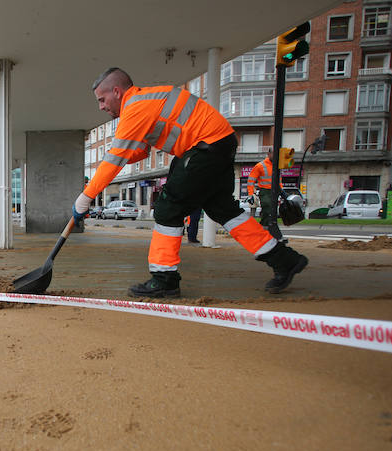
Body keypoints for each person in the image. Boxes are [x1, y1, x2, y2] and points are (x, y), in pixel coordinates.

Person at [72, 68, 308, 297]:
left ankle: (164, 280)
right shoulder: (145, 101)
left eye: (102, 100)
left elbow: (114, 161)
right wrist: (114, 156)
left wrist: (85, 197)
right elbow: (140, 151)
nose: (101, 107)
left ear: (117, 91)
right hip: (217, 144)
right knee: (225, 211)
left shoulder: (135, 107)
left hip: (204, 149)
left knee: (167, 209)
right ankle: (285, 260)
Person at [247, 156, 284, 241]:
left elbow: (279, 180)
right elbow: (251, 180)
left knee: (272, 211)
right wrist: (250, 194)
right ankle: (264, 228)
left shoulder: (277, 166)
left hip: (275, 190)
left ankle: (267, 230)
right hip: (265, 191)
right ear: (269, 153)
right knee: (267, 207)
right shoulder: (260, 166)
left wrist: (281, 190)